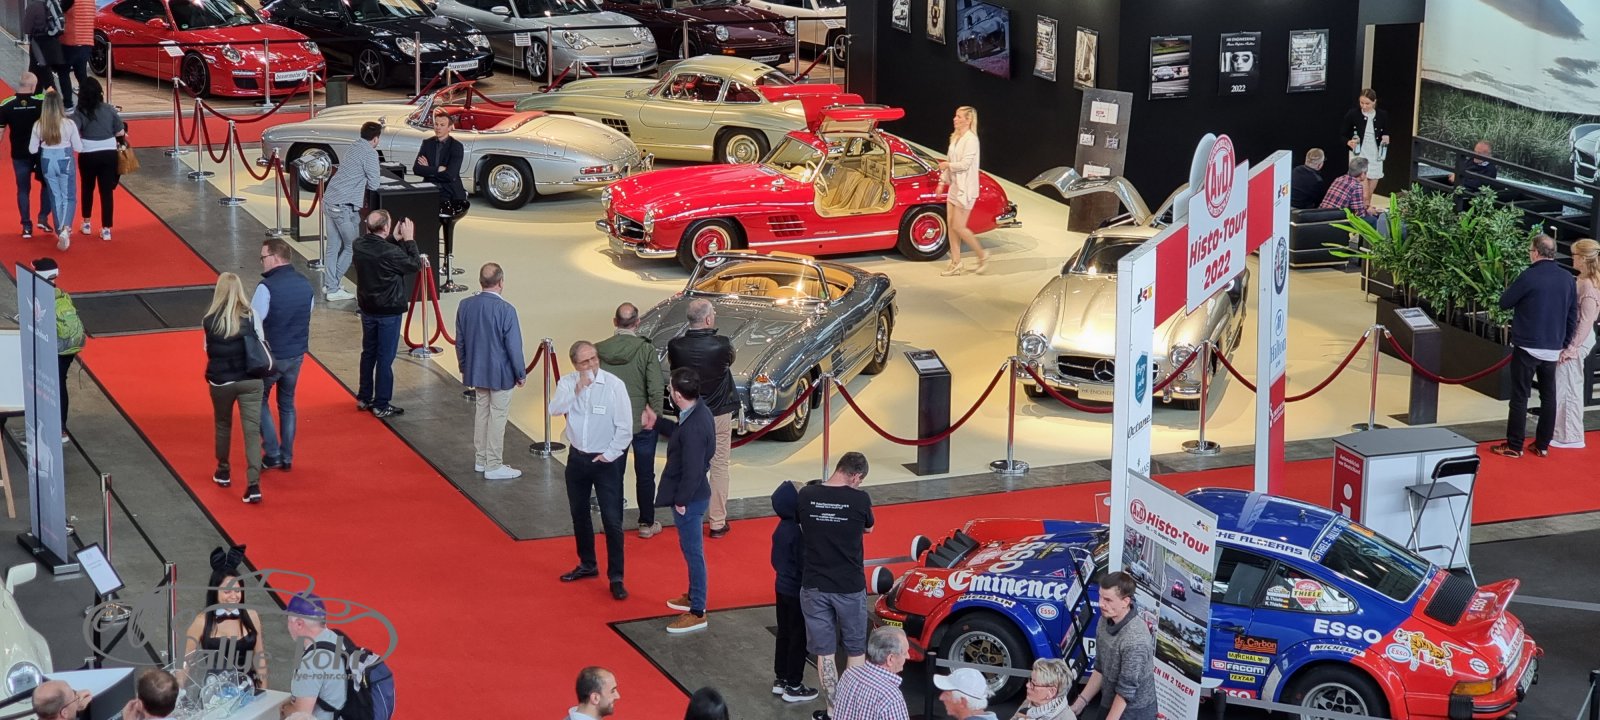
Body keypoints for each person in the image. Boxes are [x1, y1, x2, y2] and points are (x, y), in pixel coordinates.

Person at [551, 340, 634, 600]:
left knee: (612, 520)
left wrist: (609, 455)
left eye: (594, 359)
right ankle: (587, 563)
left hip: (606, 462)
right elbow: (555, 409)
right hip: (577, 459)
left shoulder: (614, 386)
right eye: (585, 361)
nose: (591, 365)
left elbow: (625, 428)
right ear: (575, 364)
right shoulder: (567, 383)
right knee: (579, 514)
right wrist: (577, 390)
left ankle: (616, 577)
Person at [798, 452, 876, 716]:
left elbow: (802, 524)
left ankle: (833, 710)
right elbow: (869, 528)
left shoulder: (806, 495)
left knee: (825, 652)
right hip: (849, 586)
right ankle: (851, 711)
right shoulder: (860, 499)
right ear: (856, 476)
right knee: (855, 649)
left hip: (814, 584)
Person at [1491, 234, 1578, 458]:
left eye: (1530, 250)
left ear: (1536, 252)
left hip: (1527, 345)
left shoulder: (1529, 276)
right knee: (1549, 396)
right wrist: (1564, 343)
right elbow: (1572, 315)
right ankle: (1542, 445)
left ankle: (1514, 445)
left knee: (1520, 396)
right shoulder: (1567, 278)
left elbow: (1504, 302)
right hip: (1553, 346)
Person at [645, 368, 714, 633]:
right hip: (694, 496)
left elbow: (693, 470)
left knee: (693, 553)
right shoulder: (696, 412)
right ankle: (693, 595)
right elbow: (680, 434)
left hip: (691, 499)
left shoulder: (694, 425)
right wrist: (658, 422)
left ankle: (698, 611)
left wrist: (682, 500)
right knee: (689, 550)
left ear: (676, 395)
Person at [667, 298, 736, 538]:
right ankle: (717, 522)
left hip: (689, 415)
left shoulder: (676, 346)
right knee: (719, 466)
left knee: (691, 465)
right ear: (708, 319)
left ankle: (688, 515)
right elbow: (729, 361)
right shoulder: (722, 345)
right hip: (718, 413)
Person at [596, 302, 664, 538]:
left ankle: (612, 523)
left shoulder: (599, 350)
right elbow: (655, 386)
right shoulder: (646, 349)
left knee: (613, 474)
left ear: (615, 322)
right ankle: (646, 523)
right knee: (645, 474)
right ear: (637, 323)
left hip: (612, 424)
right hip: (642, 421)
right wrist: (655, 414)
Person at [455, 262, 526, 479]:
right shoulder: (506, 310)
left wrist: (464, 366)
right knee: (498, 416)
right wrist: (520, 373)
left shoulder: (465, 305)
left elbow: (460, 341)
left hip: (476, 370)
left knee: (482, 412)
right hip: (501, 374)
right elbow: (513, 346)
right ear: (501, 282)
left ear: (480, 282)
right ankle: (493, 464)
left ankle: (481, 459)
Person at [202, 272, 266, 504]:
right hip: (251, 380)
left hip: (222, 381)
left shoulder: (209, 320)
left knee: (223, 425)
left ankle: (223, 470)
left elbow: (206, 348)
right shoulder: (251, 315)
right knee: (252, 432)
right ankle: (253, 484)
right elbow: (261, 341)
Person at [252, 238, 313, 473]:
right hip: (296, 355)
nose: (261, 262)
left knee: (257, 399)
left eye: (263, 257)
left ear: (276, 258)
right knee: (287, 404)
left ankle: (272, 452)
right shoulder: (305, 284)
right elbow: (306, 313)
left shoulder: (266, 288)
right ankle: (287, 456)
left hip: (271, 357)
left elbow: (254, 322)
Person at [352, 210, 420, 418]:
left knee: (368, 352)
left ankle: (364, 396)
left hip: (367, 308)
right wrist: (409, 240)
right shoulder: (390, 253)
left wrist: (393, 239)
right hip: (388, 311)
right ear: (386, 227)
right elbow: (414, 264)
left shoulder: (359, 244)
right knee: (385, 357)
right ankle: (381, 403)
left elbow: (378, 250)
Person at [1070, 572, 1156, 720]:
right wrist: (1080, 703)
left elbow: (1125, 692)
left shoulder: (1135, 640)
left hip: (1134, 712)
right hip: (1109, 701)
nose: (1101, 604)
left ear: (1125, 602)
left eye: (1108, 600)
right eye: (1100, 597)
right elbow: (1100, 668)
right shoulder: (1104, 621)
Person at [181, 545, 267, 687]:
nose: (233, 596)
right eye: (227, 592)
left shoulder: (252, 616)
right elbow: (185, 661)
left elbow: (259, 657)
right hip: (215, 692)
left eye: (237, 591)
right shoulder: (201, 621)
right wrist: (177, 692)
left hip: (248, 689)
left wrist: (264, 690)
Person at [320, 121, 383, 302]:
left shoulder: (354, 146)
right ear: (376, 139)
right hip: (342, 207)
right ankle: (333, 288)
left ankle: (330, 284)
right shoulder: (370, 153)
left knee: (332, 247)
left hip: (329, 200)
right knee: (352, 247)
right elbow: (374, 183)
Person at [770, 480, 819, 703]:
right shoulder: (800, 532)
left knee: (784, 633)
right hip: (797, 590)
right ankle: (794, 685)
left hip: (781, 587)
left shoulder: (781, 528)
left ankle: (780, 678)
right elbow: (803, 563)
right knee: (799, 637)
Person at [30, 258, 82, 443]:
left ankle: (59, 430)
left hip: (56, 349)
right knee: (60, 382)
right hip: (70, 347)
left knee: (55, 385)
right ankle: (58, 427)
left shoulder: (41, 296)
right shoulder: (61, 294)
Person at [1555, 239, 1600, 449]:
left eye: (1574, 255)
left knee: (1570, 387)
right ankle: (1562, 432)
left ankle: (1570, 436)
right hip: (1574, 339)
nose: (1572, 258)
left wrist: (1572, 348)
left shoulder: (1589, 285)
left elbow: (1586, 321)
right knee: (1564, 385)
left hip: (1577, 341)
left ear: (1583, 258)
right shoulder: (1584, 280)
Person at [413, 110, 467, 284]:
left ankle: (443, 263)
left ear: (450, 127)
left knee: (434, 221)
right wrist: (438, 169)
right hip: (430, 191)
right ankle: (428, 263)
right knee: (422, 222)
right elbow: (417, 169)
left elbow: (451, 174)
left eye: (442, 125)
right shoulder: (427, 143)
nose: (438, 128)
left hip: (451, 194)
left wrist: (429, 170)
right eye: (436, 124)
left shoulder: (456, 147)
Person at [0, 73, 54, 237]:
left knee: (23, 189)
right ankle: (43, 217)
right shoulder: (41, 102)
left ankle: (26, 226)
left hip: (19, 154)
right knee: (47, 185)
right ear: (33, 86)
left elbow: (0, 132)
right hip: (40, 152)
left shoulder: (6, 104)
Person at [937, 106, 988, 275]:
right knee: (951, 226)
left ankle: (982, 255)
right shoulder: (955, 137)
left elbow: (965, 165)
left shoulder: (971, 140)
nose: (955, 119)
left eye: (959, 117)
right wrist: (942, 182)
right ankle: (956, 262)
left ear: (968, 120)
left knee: (959, 227)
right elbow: (949, 161)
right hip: (955, 187)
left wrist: (947, 165)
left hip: (966, 190)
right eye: (955, 116)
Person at [28, 89, 79, 251]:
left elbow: (32, 149)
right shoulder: (69, 124)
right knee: (69, 197)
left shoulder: (38, 124)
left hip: (47, 160)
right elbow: (79, 147)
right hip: (65, 159)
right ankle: (65, 228)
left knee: (55, 196)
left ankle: (60, 230)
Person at [281, 593, 345, 720]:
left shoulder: (310, 662)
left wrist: (284, 709)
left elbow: (301, 715)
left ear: (299, 624)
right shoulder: (335, 638)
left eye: (288, 620)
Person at [71, 79, 119, 240]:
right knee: (106, 192)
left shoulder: (80, 111)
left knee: (87, 187)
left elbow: (74, 129)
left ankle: (86, 223)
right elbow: (119, 131)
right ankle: (106, 229)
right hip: (109, 153)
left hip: (88, 153)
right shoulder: (109, 109)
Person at [829, 626, 910, 720]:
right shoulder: (891, 697)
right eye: (905, 653)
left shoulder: (848, 674)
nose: (908, 656)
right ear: (890, 659)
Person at [1341, 88, 1389, 208]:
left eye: (1367, 103)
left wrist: (1386, 137)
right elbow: (1342, 134)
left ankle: (1365, 211)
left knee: (1369, 194)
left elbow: (1386, 132)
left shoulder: (1382, 115)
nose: (1364, 106)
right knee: (1364, 194)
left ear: (1374, 102)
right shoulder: (1353, 114)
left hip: (1375, 155)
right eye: (1361, 103)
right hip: (1359, 154)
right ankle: (1361, 211)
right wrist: (1348, 142)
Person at [21, 0, 70, 109]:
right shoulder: (52, 2)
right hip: (53, 45)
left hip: (38, 46)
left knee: (45, 77)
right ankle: (35, 102)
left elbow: (26, 29)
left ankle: (55, 106)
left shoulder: (33, 6)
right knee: (38, 75)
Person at [1011, 659, 1076, 720]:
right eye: (1030, 680)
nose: (1027, 685)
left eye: (1033, 684)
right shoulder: (1031, 701)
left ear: (1051, 692)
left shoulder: (1066, 718)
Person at [1319, 157, 1377, 223]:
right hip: (1334, 220)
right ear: (1362, 174)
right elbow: (1359, 214)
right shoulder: (1356, 186)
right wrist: (1369, 212)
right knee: (1373, 220)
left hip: (1321, 214)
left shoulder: (1339, 179)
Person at [59, 0, 91, 104]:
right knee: (81, 74)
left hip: (70, 41)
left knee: (63, 72)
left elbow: (59, 10)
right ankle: (86, 103)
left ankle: (68, 103)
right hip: (86, 41)